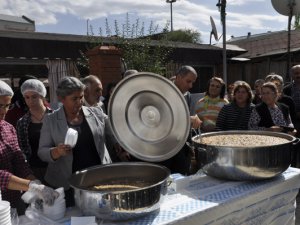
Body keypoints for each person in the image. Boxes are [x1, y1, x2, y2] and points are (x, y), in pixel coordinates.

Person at [38, 77, 114, 207]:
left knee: (101, 213)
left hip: (99, 179)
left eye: (81, 97)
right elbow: (42, 152)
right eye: (74, 99)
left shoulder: (96, 113)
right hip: (67, 183)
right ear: (62, 99)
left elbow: (113, 132)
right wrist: (56, 151)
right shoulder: (50, 120)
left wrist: (119, 144)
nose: (79, 102)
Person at [0, 80, 58, 215]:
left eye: (7, 106)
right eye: (0, 105)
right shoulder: (22, 122)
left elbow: (19, 161)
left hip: (13, 199)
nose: (3, 111)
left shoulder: (9, 129)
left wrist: (34, 181)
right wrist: (31, 186)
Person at [159, 65, 201, 175]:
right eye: (188, 81)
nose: (191, 86)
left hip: (181, 148)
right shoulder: (162, 92)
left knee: (181, 178)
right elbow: (160, 119)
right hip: (164, 149)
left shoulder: (188, 96)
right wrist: (188, 119)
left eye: (193, 82)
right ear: (178, 77)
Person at [16, 79, 53, 183]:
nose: (30, 101)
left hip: (56, 167)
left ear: (42, 96)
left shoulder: (55, 117)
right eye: (27, 97)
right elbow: (21, 149)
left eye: (34, 96)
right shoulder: (22, 122)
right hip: (34, 170)